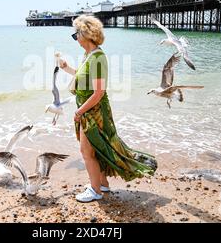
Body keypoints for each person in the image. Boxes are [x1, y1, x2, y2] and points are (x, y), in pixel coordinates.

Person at [59, 15, 157, 203]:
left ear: (85, 34)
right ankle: (102, 184)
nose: (75, 39)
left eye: (75, 35)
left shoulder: (98, 58)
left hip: (94, 111)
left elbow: (98, 93)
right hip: (88, 109)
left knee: (86, 152)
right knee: (96, 149)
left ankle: (95, 190)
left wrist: (79, 112)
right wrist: (67, 68)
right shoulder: (89, 56)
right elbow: (83, 78)